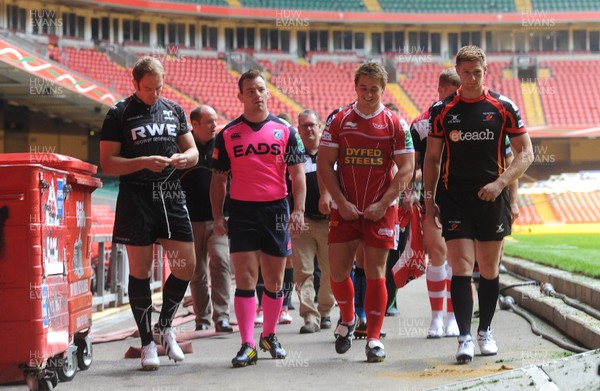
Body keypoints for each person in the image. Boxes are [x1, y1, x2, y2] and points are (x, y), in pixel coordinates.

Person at [424, 45, 533, 364]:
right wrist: (430, 203)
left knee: (487, 268)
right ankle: (464, 337)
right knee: (459, 266)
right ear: (457, 72)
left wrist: (500, 184)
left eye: (477, 72)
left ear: (486, 71)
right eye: (465, 72)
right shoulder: (441, 110)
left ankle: (485, 330)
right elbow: (431, 158)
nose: (471, 78)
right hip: (455, 197)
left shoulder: (503, 106)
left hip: (492, 198)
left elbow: (526, 153)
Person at [99, 56, 198, 370]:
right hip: (135, 195)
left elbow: (193, 151)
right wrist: (142, 162)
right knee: (139, 271)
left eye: (159, 87)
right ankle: (146, 344)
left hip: (169, 193)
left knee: (186, 266)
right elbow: (108, 163)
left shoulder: (174, 110)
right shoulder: (119, 113)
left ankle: (164, 326)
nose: (155, 93)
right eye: (148, 88)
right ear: (135, 83)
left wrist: (185, 159)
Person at [318, 62, 414, 363]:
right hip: (345, 208)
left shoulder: (396, 123)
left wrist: (383, 204)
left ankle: (373, 339)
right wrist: (340, 202)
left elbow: (407, 169)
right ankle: (347, 318)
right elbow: (324, 164)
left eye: (375, 89)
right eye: (364, 88)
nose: (369, 94)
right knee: (337, 272)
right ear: (355, 86)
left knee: (375, 273)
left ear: (383, 89)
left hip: (380, 209)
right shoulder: (339, 119)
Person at [210, 69, 306, 368]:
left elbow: (298, 174)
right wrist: (217, 217)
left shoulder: (285, 130)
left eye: (261, 89)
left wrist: (299, 210)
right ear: (240, 96)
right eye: (250, 90)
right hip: (242, 211)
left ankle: (270, 335)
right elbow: (218, 182)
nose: (257, 94)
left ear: (268, 92)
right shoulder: (227, 134)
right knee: (247, 279)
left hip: (276, 210)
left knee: (275, 280)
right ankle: (247, 344)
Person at [409, 68, 461, 338]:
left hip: (460, 194)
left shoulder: (466, 116)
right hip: (431, 195)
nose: (456, 97)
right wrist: (410, 194)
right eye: (452, 92)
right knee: (437, 255)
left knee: (457, 258)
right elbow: (413, 164)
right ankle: (436, 318)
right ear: (440, 90)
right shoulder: (420, 124)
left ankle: (453, 317)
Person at [179, 104, 233, 333]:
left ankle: (222, 316)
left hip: (217, 218)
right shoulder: (182, 145)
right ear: (195, 124)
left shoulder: (222, 144)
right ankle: (202, 318)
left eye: (215, 120)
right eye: (209, 122)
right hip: (189, 221)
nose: (214, 125)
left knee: (220, 261)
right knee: (196, 272)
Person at [290, 109, 335, 334]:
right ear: (298, 130)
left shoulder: (333, 154)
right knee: (303, 271)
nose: (309, 129)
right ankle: (309, 316)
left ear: (320, 127)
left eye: (312, 125)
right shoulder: (293, 156)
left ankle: (326, 311)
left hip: (330, 222)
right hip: (303, 222)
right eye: (304, 126)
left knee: (330, 270)